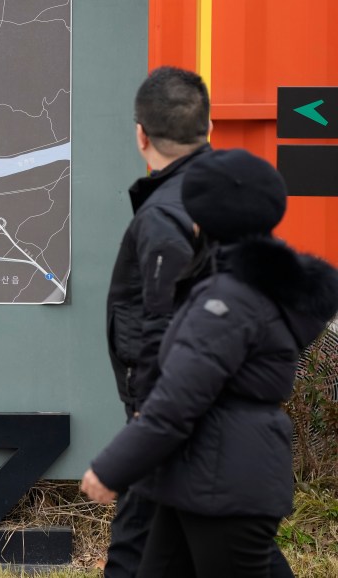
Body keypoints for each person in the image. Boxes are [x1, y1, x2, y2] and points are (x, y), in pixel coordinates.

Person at [83, 149, 338, 577]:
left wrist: (111, 469)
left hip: (223, 481)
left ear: (205, 219)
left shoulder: (227, 300)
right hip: (201, 478)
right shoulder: (246, 287)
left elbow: (177, 401)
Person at [103, 66, 211, 577]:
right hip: (206, 400)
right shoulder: (227, 192)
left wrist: (147, 418)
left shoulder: (165, 215)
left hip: (167, 410)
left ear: (141, 134)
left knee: (134, 548)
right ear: (208, 130)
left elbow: (162, 324)